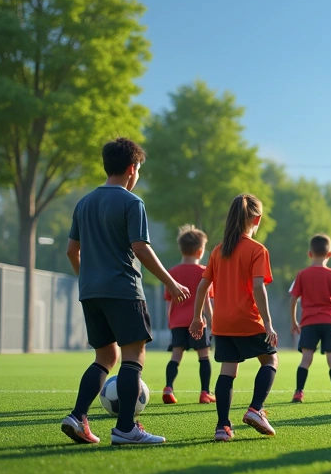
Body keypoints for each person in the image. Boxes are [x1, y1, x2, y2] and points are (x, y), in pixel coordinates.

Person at [61, 137, 189, 446]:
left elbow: (70, 251)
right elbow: (140, 248)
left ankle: (78, 416)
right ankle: (125, 428)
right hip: (123, 290)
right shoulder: (132, 202)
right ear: (132, 169)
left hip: (90, 292)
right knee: (133, 355)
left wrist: (88, 279)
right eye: (140, 169)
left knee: (106, 355)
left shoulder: (85, 202)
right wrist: (171, 282)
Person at [188, 194, 279, 442]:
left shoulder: (218, 251)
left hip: (222, 323)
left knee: (227, 370)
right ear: (257, 219)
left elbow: (202, 287)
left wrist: (197, 318)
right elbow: (259, 288)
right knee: (270, 361)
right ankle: (255, 409)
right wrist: (268, 322)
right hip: (248, 319)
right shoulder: (258, 250)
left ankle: (223, 427)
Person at [289, 234, 331, 403]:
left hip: (308, 322)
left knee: (306, 359)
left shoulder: (302, 274)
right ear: (330, 254)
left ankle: (299, 392)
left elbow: (293, 298)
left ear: (310, 253)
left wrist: (294, 321)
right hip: (329, 321)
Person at [162, 225, 215, 405]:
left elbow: (168, 301)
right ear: (200, 251)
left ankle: (168, 387)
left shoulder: (172, 273)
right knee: (204, 356)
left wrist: (170, 321)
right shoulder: (204, 272)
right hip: (198, 323)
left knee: (176, 356)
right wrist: (212, 322)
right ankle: (205, 393)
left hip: (177, 323)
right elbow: (206, 301)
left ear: (181, 248)